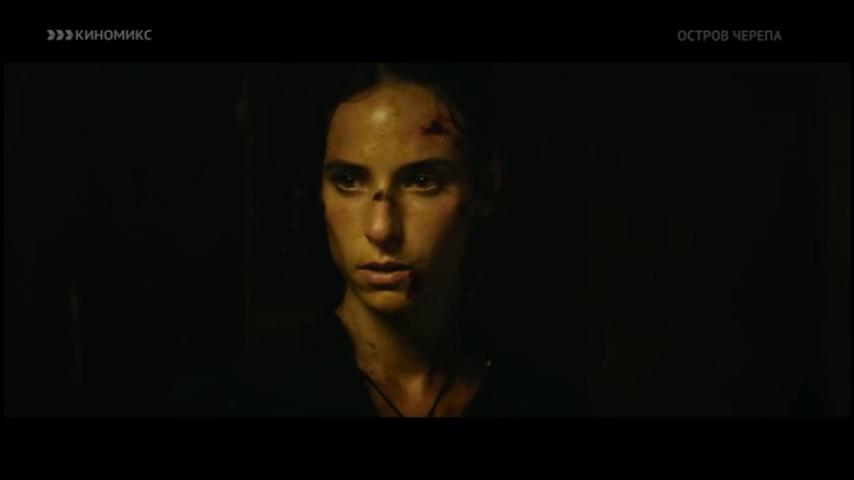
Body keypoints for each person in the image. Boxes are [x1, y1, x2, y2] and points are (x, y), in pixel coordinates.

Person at [184, 64, 588, 417]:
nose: (381, 228)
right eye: (348, 180)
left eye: (421, 181)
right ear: (319, 191)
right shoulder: (252, 396)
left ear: (485, 186)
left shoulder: (539, 401)